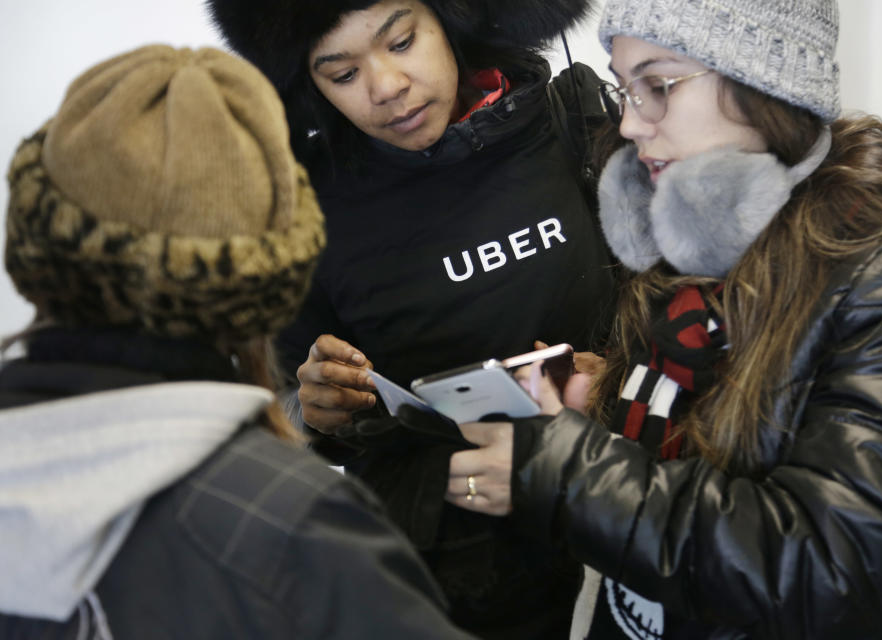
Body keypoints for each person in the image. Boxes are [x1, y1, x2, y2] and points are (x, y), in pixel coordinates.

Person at [445, 0, 882, 638]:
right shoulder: (695, 228)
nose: (630, 123)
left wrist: (565, 475)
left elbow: (832, 569)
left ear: (762, 79)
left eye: (657, 85)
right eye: (623, 86)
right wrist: (608, 398)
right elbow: (716, 431)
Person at [0, 44, 474, 639]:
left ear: (36, 242)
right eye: (344, 72)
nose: (384, 84)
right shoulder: (297, 528)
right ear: (270, 275)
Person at [207, 1, 617, 637]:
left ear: (453, 20)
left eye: (401, 42)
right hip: (450, 584)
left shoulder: (575, 121)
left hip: (624, 525)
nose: (385, 87)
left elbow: (690, 322)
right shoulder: (303, 212)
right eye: (342, 75)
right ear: (305, 85)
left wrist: (619, 382)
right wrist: (316, 413)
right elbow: (282, 399)